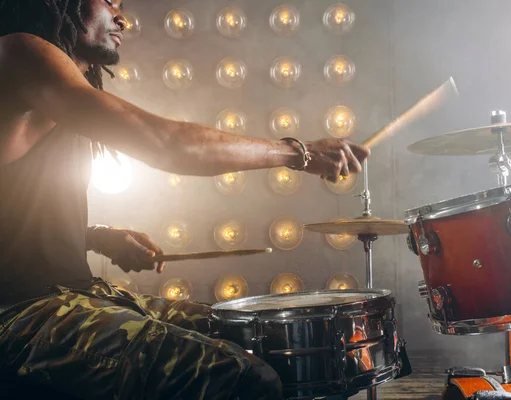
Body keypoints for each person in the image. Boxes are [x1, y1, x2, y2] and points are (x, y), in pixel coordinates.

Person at [0, 0, 369, 399]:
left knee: (260, 340)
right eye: (109, 1)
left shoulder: (58, 84)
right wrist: (299, 152)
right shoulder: (20, 51)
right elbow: (168, 144)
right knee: (241, 377)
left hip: (71, 296)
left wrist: (96, 237)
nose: (122, 17)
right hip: (18, 312)